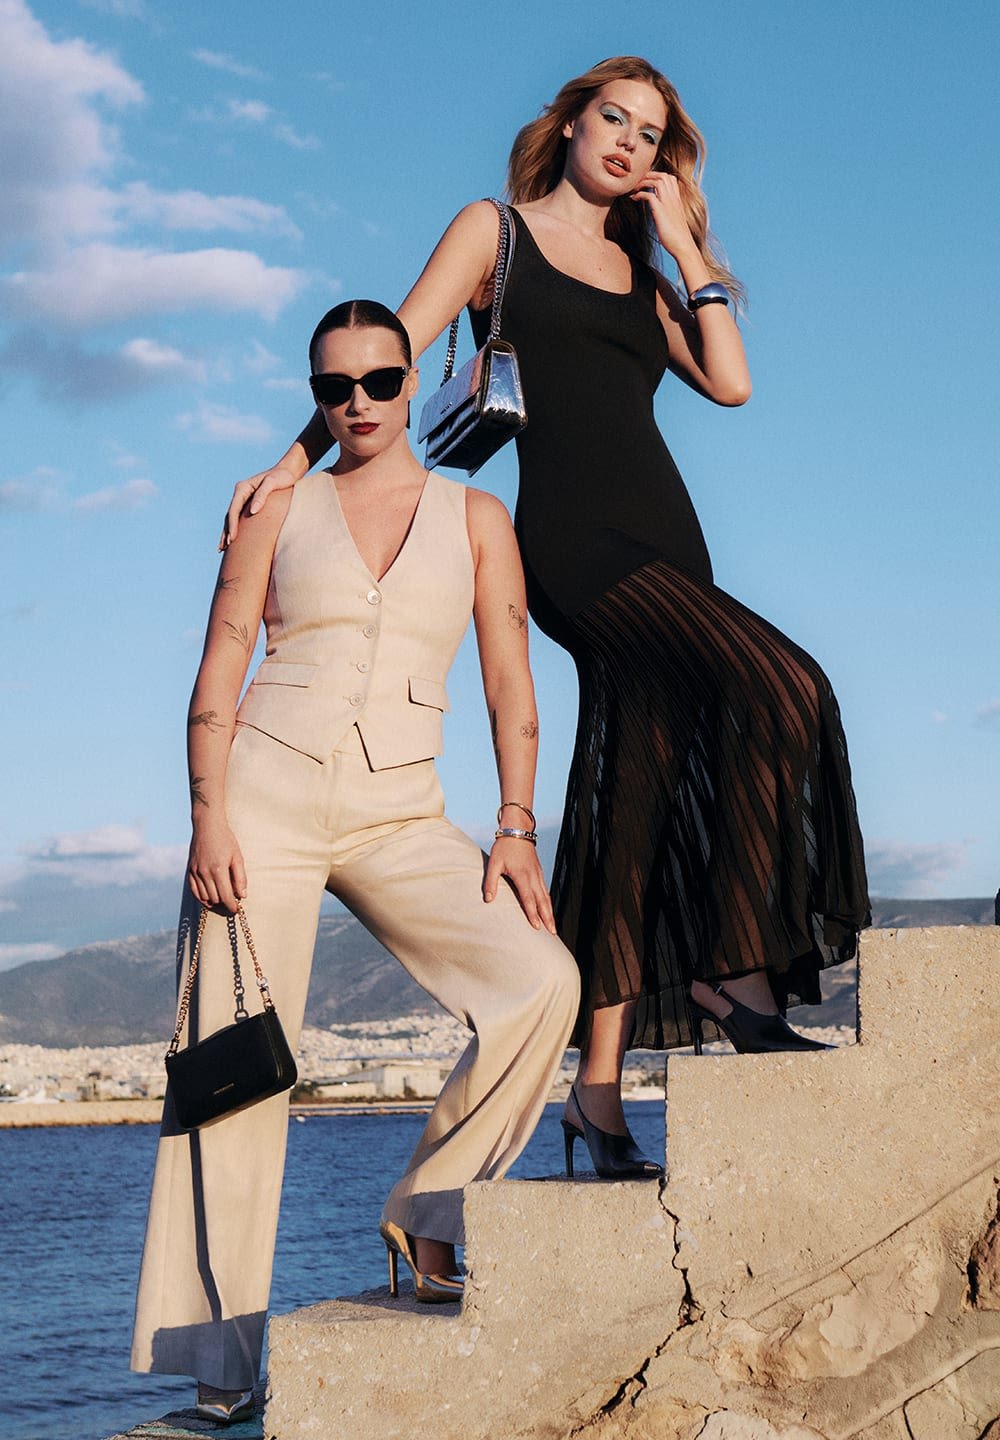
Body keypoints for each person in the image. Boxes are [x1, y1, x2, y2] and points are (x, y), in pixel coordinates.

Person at [224, 56, 870, 1182]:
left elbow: (730, 384)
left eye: (650, 135)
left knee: (630, 801)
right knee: (786, 684)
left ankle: (597, 1098)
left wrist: (686, 250)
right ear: (569, 123)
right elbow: (393, 351)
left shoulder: (641, 268)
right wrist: (290, 461)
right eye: (611, 118)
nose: (626, 142)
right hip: (573, 546)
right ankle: (732, 975)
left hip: (672, 543)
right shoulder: (496, 233)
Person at [131, 300, 579, 1422]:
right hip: (263, 805)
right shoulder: (282, 508)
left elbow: (509, 681)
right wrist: (207, 820)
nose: (362, 405)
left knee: (542, 983)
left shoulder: (476, 516)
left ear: (412, 375)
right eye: (336, 389)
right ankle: (219, 1371)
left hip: (401, 814)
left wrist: (516, 822)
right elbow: (221, 663)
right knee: (232, 1073)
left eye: (382, 382)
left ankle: (430, 1214)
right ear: (316, 396)